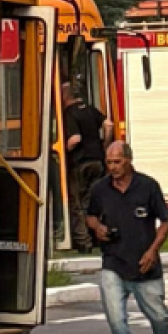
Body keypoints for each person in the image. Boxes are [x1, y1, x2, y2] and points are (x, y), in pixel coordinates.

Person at [84, 139, 168, 334]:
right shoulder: (100, 189)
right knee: (116, 318)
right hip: (113, 263)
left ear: (129, 160)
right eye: (109, 162)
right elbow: (90, 216)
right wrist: (98, 228)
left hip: (145, 265)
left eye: (117, 162)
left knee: (159, 317)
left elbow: (164, 222)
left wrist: (153, 251)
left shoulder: (148, 187)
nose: (112, 167)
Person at [62, 82, 112, 250]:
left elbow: (75, 139)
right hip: (97, 160)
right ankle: (99, 237)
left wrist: (62, 151)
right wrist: (105, 144)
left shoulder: (69, 113)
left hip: (80, 163)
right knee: (94, 201)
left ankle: (84, 242)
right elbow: (108, 124)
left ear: (64, 96)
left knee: (78, 205)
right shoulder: (90, 109)